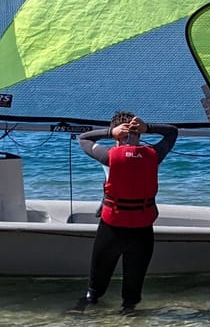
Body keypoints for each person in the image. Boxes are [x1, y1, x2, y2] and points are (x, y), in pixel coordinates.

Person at [76, 111, 179, 313]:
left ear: (116, 137)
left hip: (112, 228)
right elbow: (172, 133)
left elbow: (83, 139)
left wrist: (109, 132)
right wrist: (147, 127)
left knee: (95, 288)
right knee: (132, 294)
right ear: (139, 135)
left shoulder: (108, 156)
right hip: (142, 229)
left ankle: (83, 316)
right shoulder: (153, 155)